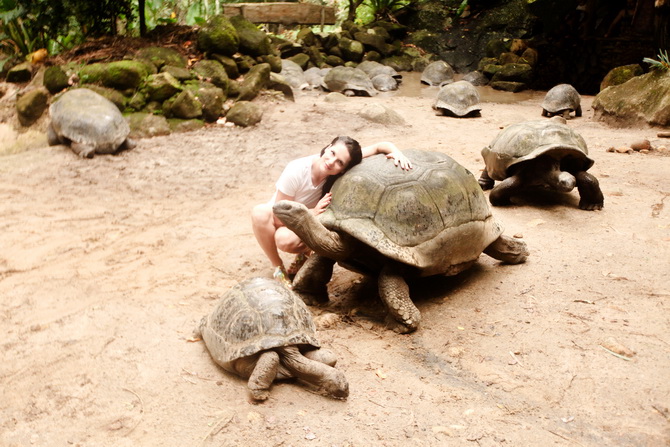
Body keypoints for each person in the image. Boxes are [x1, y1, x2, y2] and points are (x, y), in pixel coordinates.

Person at [251, 136, 412, 288]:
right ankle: (277, 267)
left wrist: (396, 152)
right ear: (328, 147)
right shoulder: (296, 169)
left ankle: (303, 255)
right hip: (284, 217)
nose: (331, 161)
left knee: (285, 240)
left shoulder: (344, 159)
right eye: (332, 153)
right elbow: (280, 218)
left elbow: (379, 147)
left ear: (343, 169)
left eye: (339, 162)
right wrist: (312, 212)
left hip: (307, 220)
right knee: (260, 213)